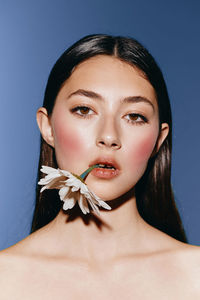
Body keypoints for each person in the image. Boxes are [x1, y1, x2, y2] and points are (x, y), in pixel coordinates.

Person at [0, 34, 200, 299]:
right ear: (47, 127)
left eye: (134, 116)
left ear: (158, 141)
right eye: (84, 110)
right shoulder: (6, 277)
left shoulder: (193, 274)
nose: (109, 136)